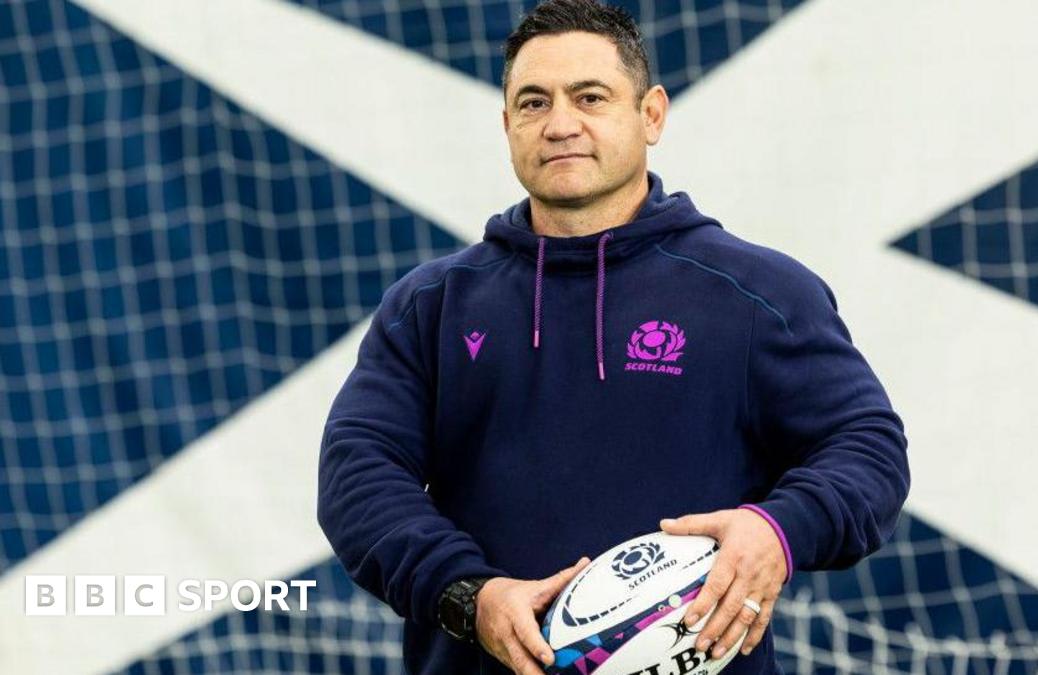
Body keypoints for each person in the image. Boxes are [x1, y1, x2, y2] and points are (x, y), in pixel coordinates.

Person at [316, 0, 910, 673]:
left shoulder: (759, 294)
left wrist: (775, 531)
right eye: (534, 102)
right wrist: (468, 593)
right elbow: (356, 475)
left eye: (589, 97)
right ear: (507, 122)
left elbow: (869, 449)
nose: (560, 124)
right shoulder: (431, 305)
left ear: (650, 114)